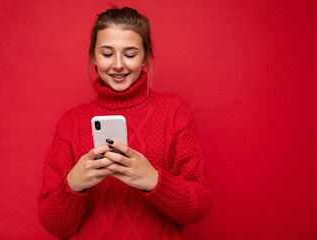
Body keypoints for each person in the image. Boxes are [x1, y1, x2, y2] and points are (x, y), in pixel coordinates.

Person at [38, 6, 212, 239]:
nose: (118, 64)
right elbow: (55, 227)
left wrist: (153, 179)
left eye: (130, 54)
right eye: (107, 54)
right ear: (94, 58)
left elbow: (198, 208)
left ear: (145, 57)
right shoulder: (71, 122)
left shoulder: (174, 111)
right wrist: (73, 184)